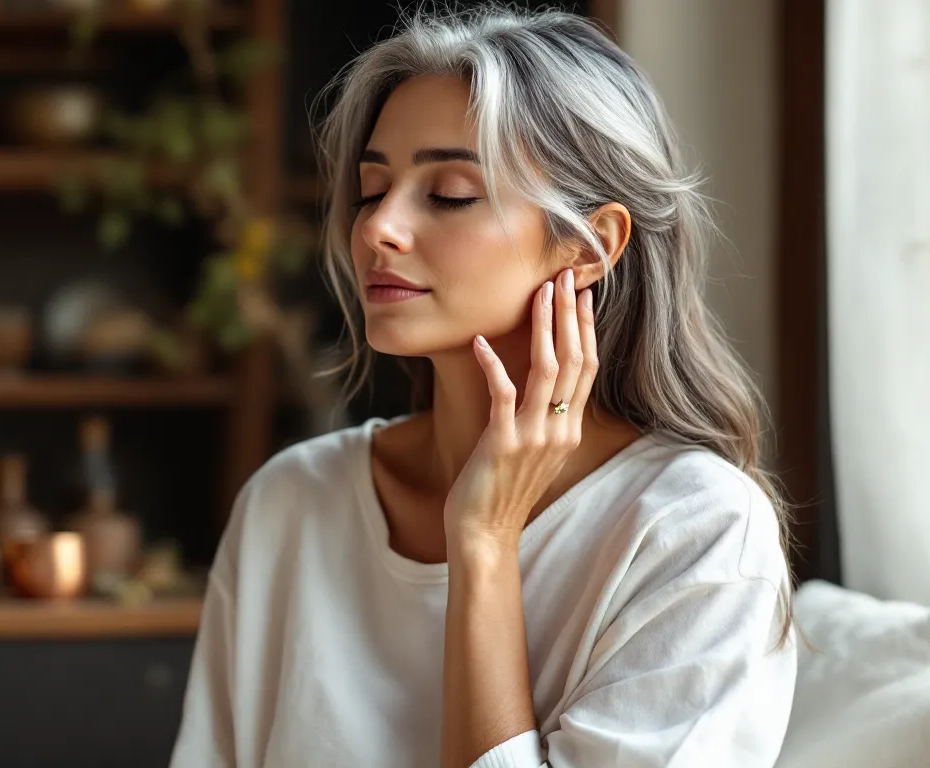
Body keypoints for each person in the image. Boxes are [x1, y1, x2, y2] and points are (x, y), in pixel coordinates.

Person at [170, 6, 796, 767]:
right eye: (373, 189)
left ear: (590, 245)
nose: (377, 229)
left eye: (451, 194)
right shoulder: (292, 502)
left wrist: (486, 542)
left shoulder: (697, 533)